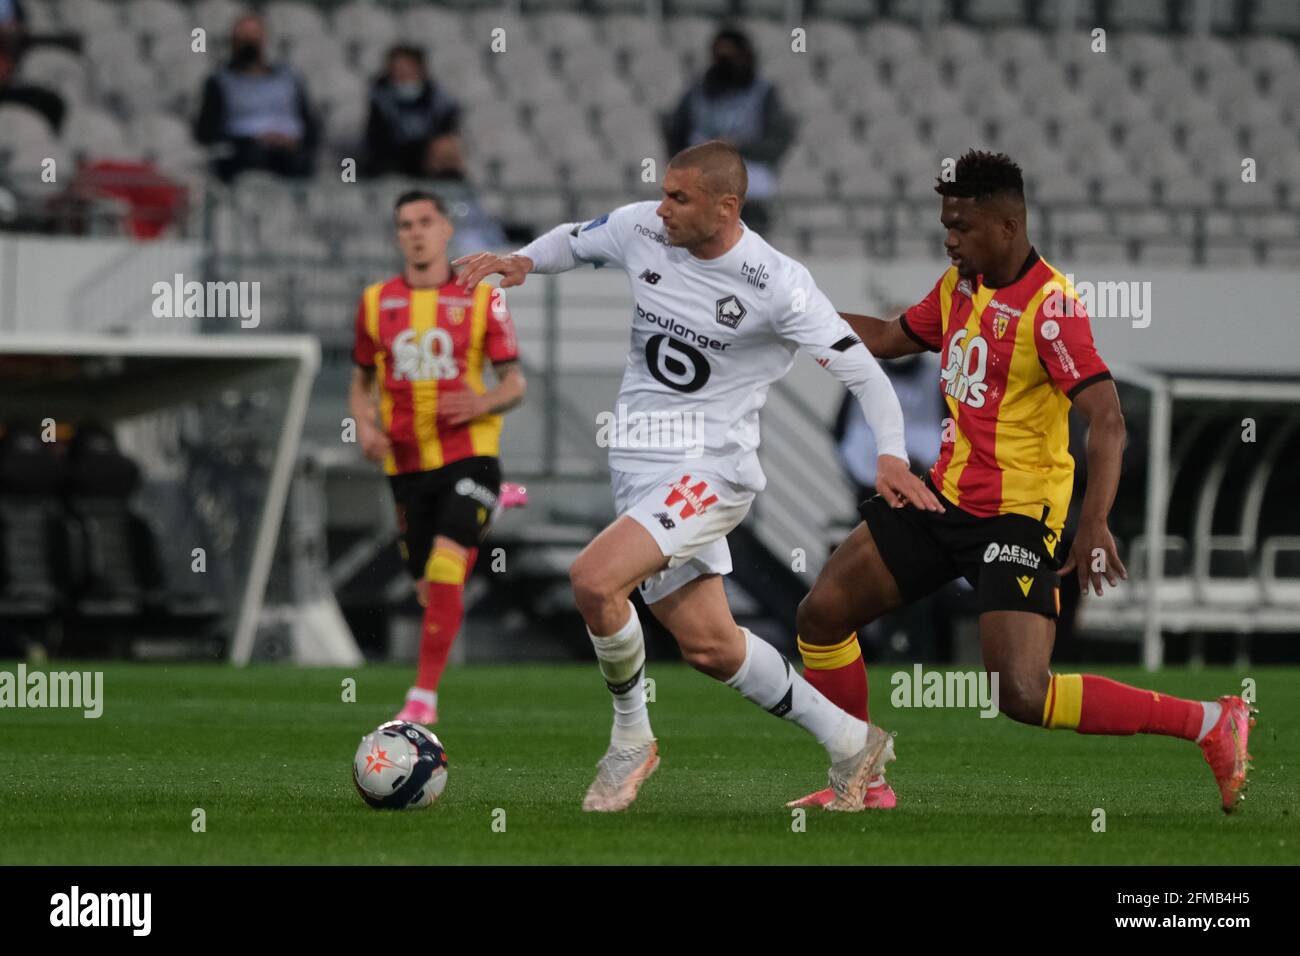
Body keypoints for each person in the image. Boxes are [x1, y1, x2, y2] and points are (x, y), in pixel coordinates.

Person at [453, 140, 939, 813]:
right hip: (640, 466)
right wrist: (520, 261)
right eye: (665, 193)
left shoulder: (777, 283)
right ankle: (853, 744)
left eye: (680, 197)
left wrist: (890, 453)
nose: (664, 207)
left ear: (726, 206)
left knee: (594, 580)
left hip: (711, 470)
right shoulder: (644, 229)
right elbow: (576, 240)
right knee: (711, 647)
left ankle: (631, 740)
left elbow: (863, 370)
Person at [790, 150, 1255, 812]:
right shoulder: (960, 286)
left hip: (1017, 517)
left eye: (962, 226)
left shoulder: (1052, 308)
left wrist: (1092, 523)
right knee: (823, 614)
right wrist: (794, 322)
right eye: (945, 224)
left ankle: (1212, 722)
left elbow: (1110, 420)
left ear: (1007, 228)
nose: (949, 238)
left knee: (1023, 694)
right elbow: (892, 336)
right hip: (944, 498)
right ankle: (860, 777)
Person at [350, 190, 527, 726]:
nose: (415, 232)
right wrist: (363, 422)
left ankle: (422, 696)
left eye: (425, 221)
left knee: (449, 567)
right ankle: (491, 510)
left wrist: (482, 401)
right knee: (429, 590)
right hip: (405, 465)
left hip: (468, 453)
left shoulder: (484, 298)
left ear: (447, 230)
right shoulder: (375, 301)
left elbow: (514, 383)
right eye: (404, 224)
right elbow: (360, 381)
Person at [664, 27, 794, 234]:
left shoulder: (764, 93)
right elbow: (676, 134)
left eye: (732, 55)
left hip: (750, 183)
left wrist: (739, 147)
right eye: (720, 55)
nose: (726, 62)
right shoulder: (696, 93)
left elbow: (777, 140)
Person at [193, 12, 318, 182]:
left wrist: (292, 140)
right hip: (244, 152)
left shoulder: (289, 79)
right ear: (233, 42)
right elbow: (206, 132)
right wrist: (253, 139)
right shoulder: (219, 81)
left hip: (289, 152)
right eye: (242, 36)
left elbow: (309, 125)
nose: (248, 41)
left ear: (264, 39)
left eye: (254, 36)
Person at [362, 44, 464, 180]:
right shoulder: (380, 101)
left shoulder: (440, 102)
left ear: (421, 70)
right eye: (397, 73)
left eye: (407, 72)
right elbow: (376, 145)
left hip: (428, 164)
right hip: (392, 165)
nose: (402, 78)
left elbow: (446, 136)